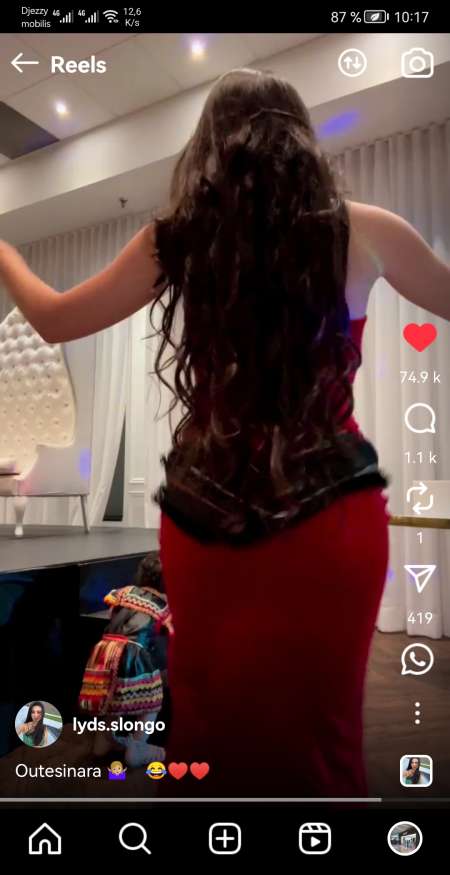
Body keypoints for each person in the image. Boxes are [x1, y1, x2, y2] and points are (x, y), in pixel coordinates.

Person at [1, 68, 450, 795]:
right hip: (333, 513)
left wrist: (5, 254)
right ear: (300, 139)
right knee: (324, 727)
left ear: (209, 144)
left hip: (206, 510)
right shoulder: (366, 230)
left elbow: (53, 319)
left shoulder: (178, 240)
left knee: (208, 715)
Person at [78, 553, 173, 767]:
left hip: (104, 650)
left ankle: (104, 741)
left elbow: (112, 610)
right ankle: (137, 747)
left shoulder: (123, 592)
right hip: (134, 655)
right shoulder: (164, 606)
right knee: (151, 703)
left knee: (112, 699)